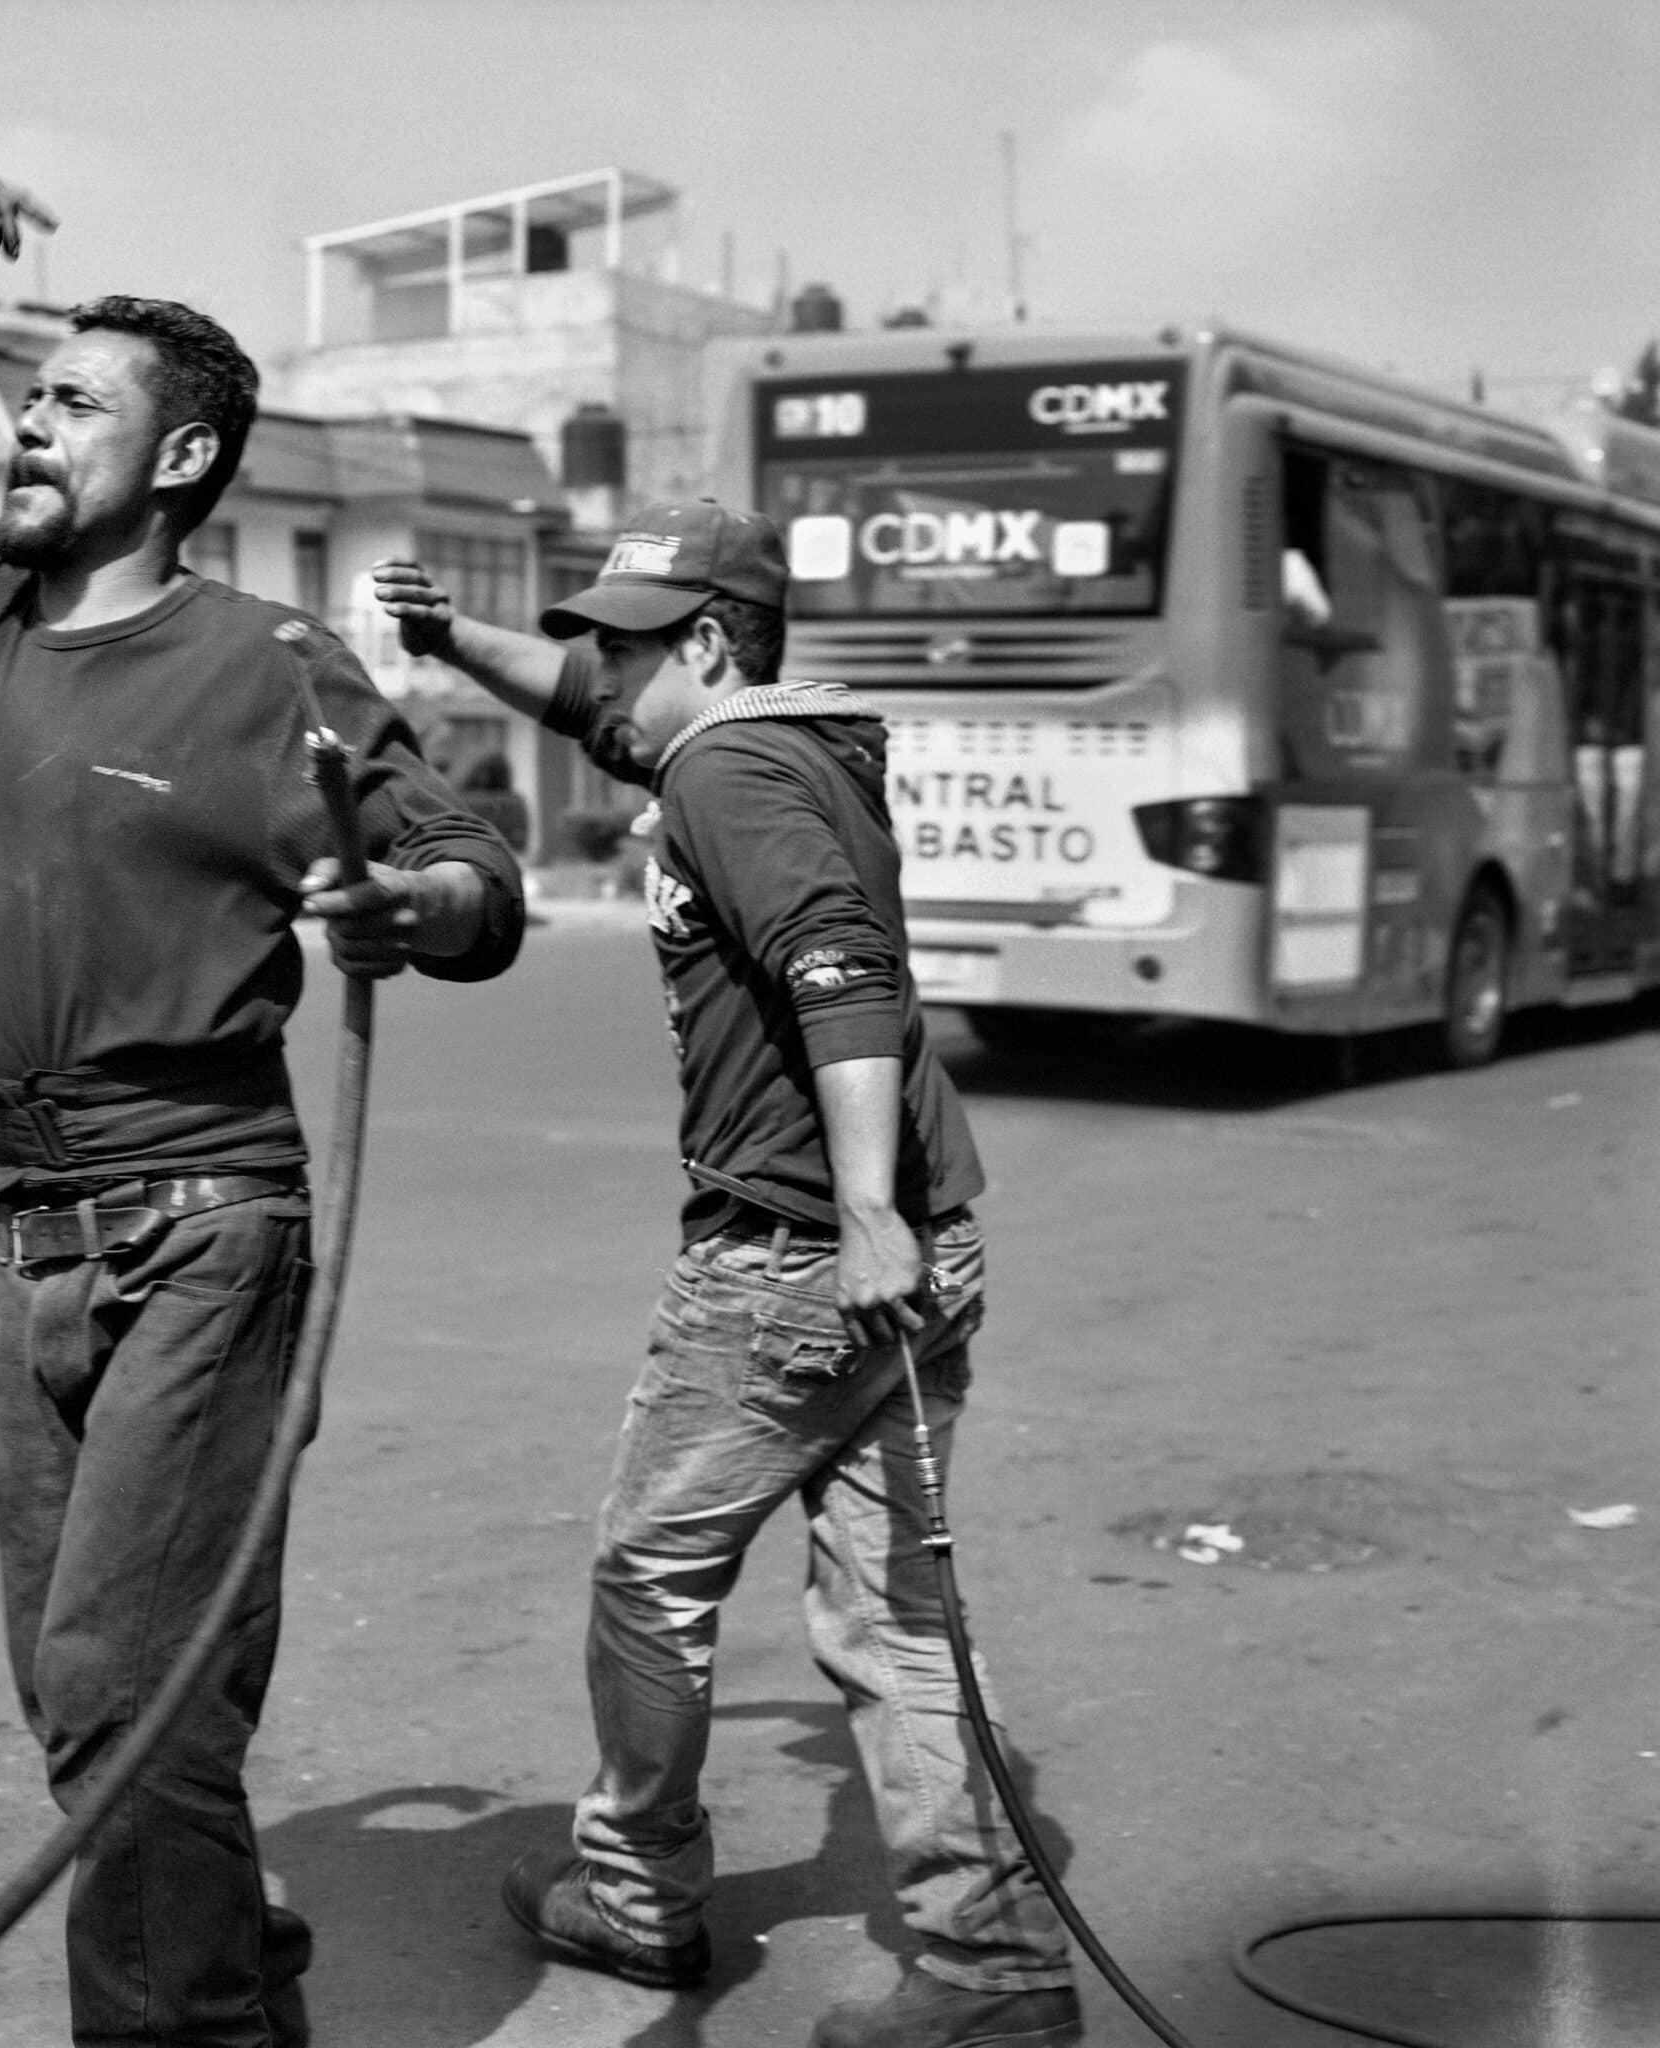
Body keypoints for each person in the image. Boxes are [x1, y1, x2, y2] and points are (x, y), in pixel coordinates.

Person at [0, 149, 527, 2048]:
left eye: (72, 402)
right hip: (23, 1239)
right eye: (28, 395)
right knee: (99, 1694)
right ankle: (224, 1944)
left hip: (204, 1230)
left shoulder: (268, 665)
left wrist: (416, 902)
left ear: (179, 462)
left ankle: (194, 2028)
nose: (25, 424)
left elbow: (467, 865)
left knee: (118, 1687)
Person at [372, 505, 1079, 2048]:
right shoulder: (785, 744)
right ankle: (993, 1977)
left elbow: (837, 962)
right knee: (897, 1629)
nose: (594, 666)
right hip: (909, 1247)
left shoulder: (728, 768)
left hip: (795, 1261)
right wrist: (447, 647)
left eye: (625, 639)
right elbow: (586, 711)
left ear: (706, 644)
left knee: (649, 1576)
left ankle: (635, 1891)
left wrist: (864, 1213)